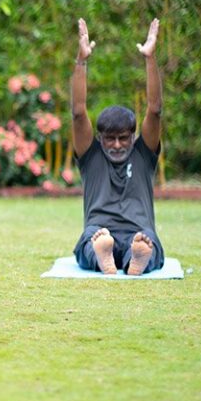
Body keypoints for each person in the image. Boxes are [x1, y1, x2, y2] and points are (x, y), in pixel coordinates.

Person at [70, 17, 165, 275]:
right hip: (100, 230)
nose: (116, 144)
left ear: (133, 136)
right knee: (92, 242)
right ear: (99, 138)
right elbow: (78, 113)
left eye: (123, 138)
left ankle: (137, 256)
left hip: (139, 232)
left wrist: (150, 57)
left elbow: (154, 111)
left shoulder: (143, 154)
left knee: (147, 245)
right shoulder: (91, 156)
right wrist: (82, 60)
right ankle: (105, 253)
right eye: (109, 138)